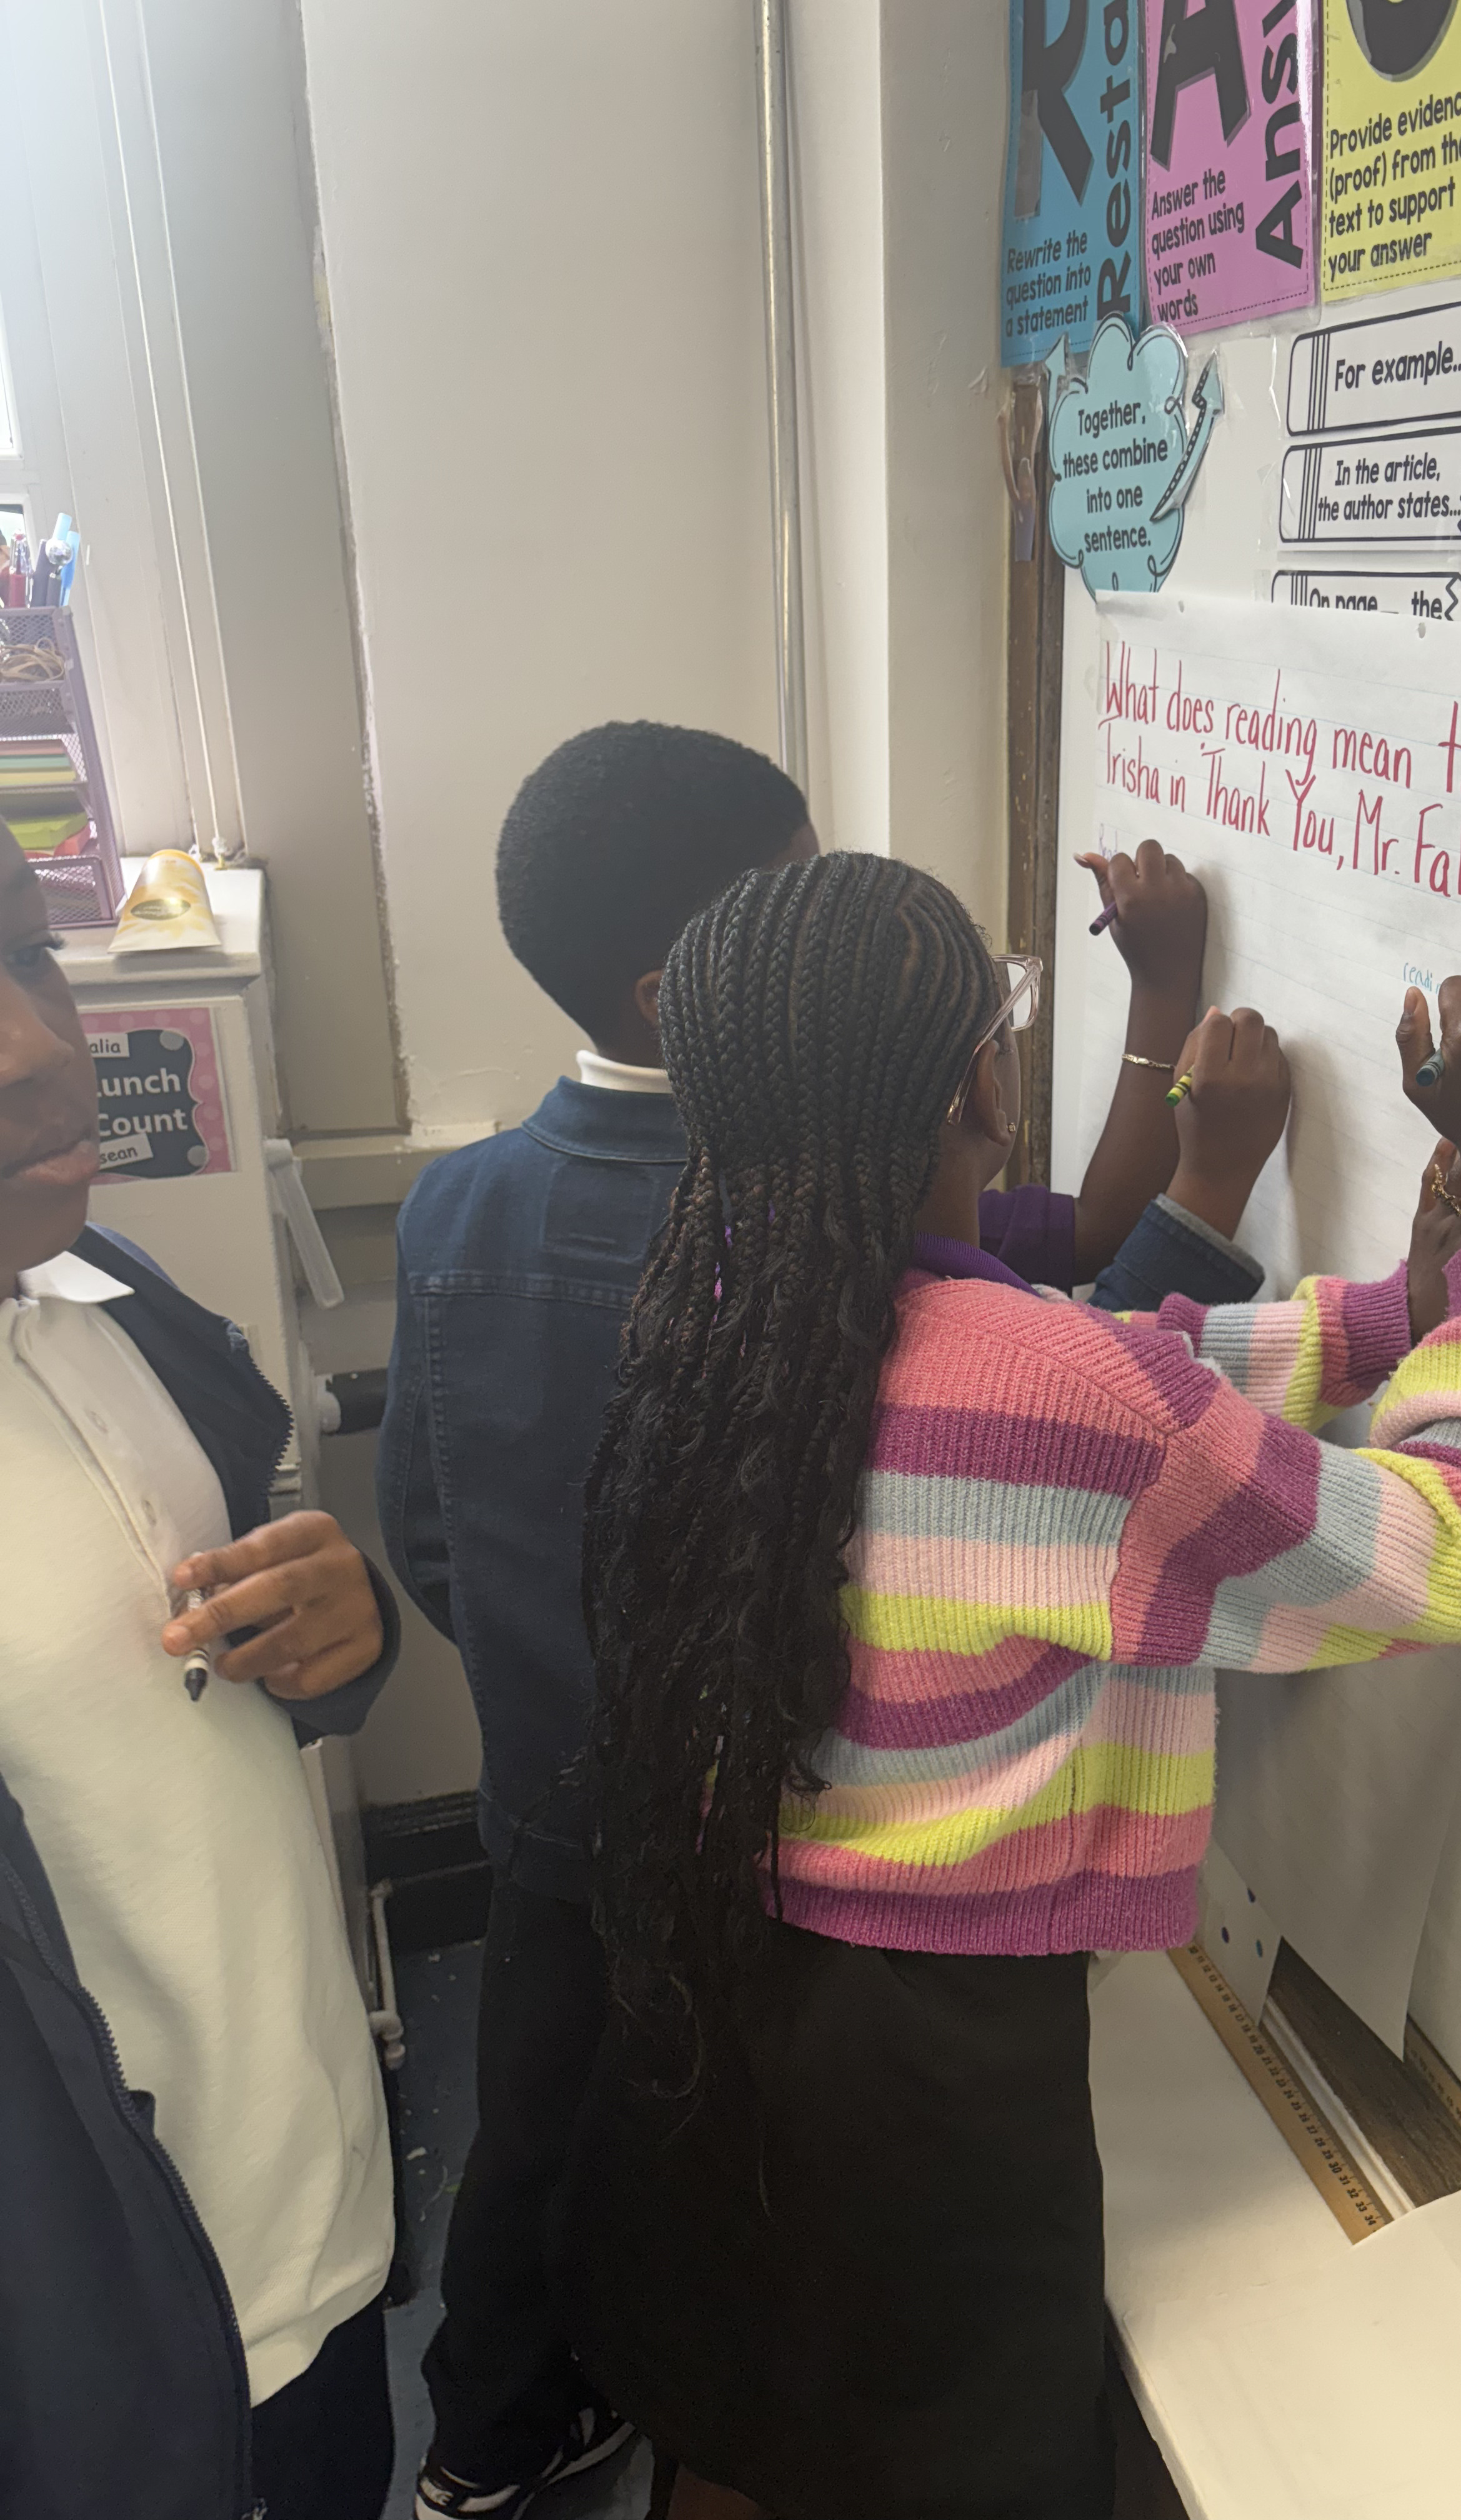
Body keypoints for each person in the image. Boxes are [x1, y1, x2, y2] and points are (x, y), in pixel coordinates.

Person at [559, 850, 1461, 2520]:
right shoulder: (1047, 1398)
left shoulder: (737, 1302)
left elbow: (1130, 1368)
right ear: (989, 1078)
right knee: (948, 2451)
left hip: (740, 1980)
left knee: (770, 2402)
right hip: (927, 2077)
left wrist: (1413, 1309)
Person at [377, 719, 1262, 2515]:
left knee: (559, 2130)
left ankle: (493, 2440)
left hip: (564, 1810)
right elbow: (1068, 1306)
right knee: (707, 2154)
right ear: (680, 990)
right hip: (782, 1832)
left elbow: (427, 1534)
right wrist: (1186, 1087)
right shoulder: (791, 1237)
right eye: (793, 917)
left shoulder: (464, 1201)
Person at [0, 822, 400, 2520]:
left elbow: (232, 1669)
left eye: (23, 957)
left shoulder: (104, 1290)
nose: (33, 1045)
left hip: (310, 2202)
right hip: (89, 2358)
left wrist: (335, 1625)